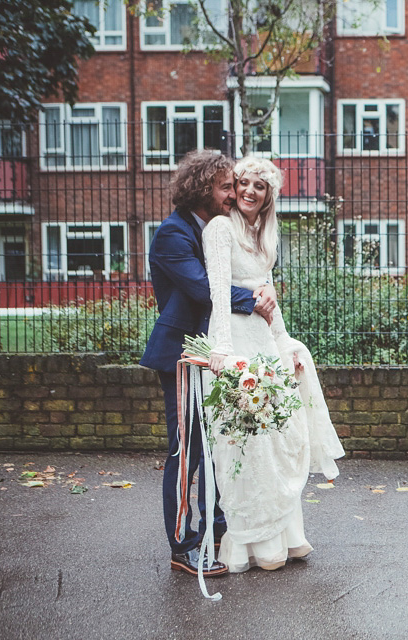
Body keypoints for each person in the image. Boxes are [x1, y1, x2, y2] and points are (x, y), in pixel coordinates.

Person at [202, 155, 344, 573]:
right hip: (238, 347)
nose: (249, 191)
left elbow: (269, 303)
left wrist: (286, 346)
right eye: (243, 183)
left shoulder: (263, 237)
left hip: (264, 345)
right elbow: (216, 293)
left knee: (275, 440)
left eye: (259, 188)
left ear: (267, 198)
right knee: (245, 445)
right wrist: (223, 351)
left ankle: (285, 538)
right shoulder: (220, 229)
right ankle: (250, 546)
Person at [141, 150, 277, 578]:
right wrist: (254, 300)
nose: (234, 193)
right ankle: (182, 545)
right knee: (187, 453)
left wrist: (263, 291)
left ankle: (217, 534)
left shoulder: (216, 229)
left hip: (218, 353)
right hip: (184, 355)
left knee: (222, 445)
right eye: (225, 186)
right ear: (203, 189)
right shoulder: (173, 234)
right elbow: (205, 290)